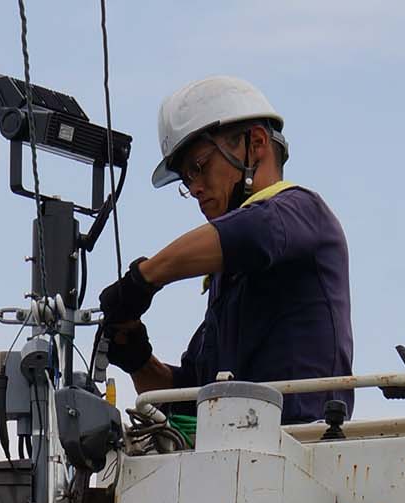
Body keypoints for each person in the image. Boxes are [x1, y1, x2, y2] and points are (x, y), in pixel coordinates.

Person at [97, 76, 353, 424]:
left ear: (256, 143)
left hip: (301, 452)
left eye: (199, 167)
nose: (195, 187)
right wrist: (138, 358)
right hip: (235, 461)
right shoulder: (227, 284)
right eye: (187, 180)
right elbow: (190, 401)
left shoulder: (301, 211)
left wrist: (143, 279)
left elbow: (251, 234)